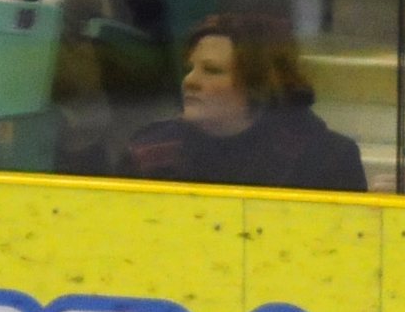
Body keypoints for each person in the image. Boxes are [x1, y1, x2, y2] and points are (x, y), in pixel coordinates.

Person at [127, 13, 367, 192]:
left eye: (212, 70)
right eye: (190, 69)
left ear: (258, 84)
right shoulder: (148, 152)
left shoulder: (327, 159)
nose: (189, 81)